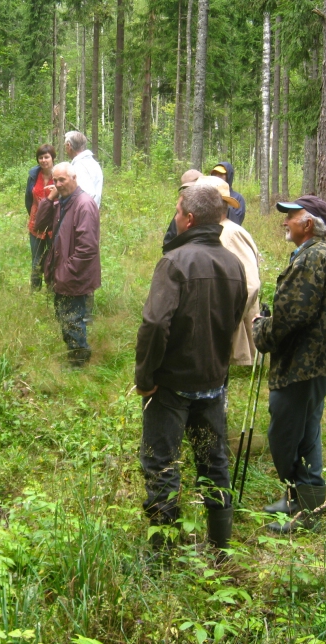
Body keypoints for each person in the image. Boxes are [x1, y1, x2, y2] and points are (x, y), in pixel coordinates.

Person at [135, 185, 247, 553]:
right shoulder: (233, 265)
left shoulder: (174, 262)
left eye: (178, 211)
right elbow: (233, 320)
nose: (175, 216)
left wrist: (146, 379)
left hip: (170, 387)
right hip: (213, 383)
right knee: (213, 462)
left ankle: (163, 553)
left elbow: (154, 325)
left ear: (189, 218)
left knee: (161, 463)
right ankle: (220, 547)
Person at [253, 196, 326, 533]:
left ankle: (302, 506)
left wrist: (261, 330)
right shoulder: (320, 256)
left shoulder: (312, 259)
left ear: (307, 224)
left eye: (290, 217)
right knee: (307, 433)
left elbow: (294, 315)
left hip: (303, 365)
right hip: (314, 363)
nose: (285, 223)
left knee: (284, 434)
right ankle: (303, 502)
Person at [33, 162, 101, 366]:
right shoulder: (62, 201)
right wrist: (50, 198)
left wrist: (64, 273)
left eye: (62, 179)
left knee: (72, 319)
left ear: (74, 178)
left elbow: (87, 248)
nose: (58, 184)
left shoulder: (84, 204)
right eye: (55, 180)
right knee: (65, 316)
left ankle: (79, 362)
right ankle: (75, 356)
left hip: (74, 275)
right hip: (62, 273)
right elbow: (39, 225)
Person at [196, 175, 261, 366]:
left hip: (224, 327)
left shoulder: (230, 233)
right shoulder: (215, 230)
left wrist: (225, 323)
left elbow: (250, 285)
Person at [25, 144, 56, 290]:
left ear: (53, 158)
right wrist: (35, 215)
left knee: (52, 258)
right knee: (36, 259)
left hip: (53, 224)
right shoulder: (33, 175)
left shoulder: (59, 175)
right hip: (36, 223)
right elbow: (28, 199)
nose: (43, 160)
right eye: (40, 157)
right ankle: (35, 290)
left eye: (46, 157)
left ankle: (52, 290)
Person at [63, 131, 103, 208]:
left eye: (65, 146)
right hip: (90, 212)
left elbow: (87, 193)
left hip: (82, 214)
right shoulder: (92, 162)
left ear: (69, 145)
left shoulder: (80, 166)